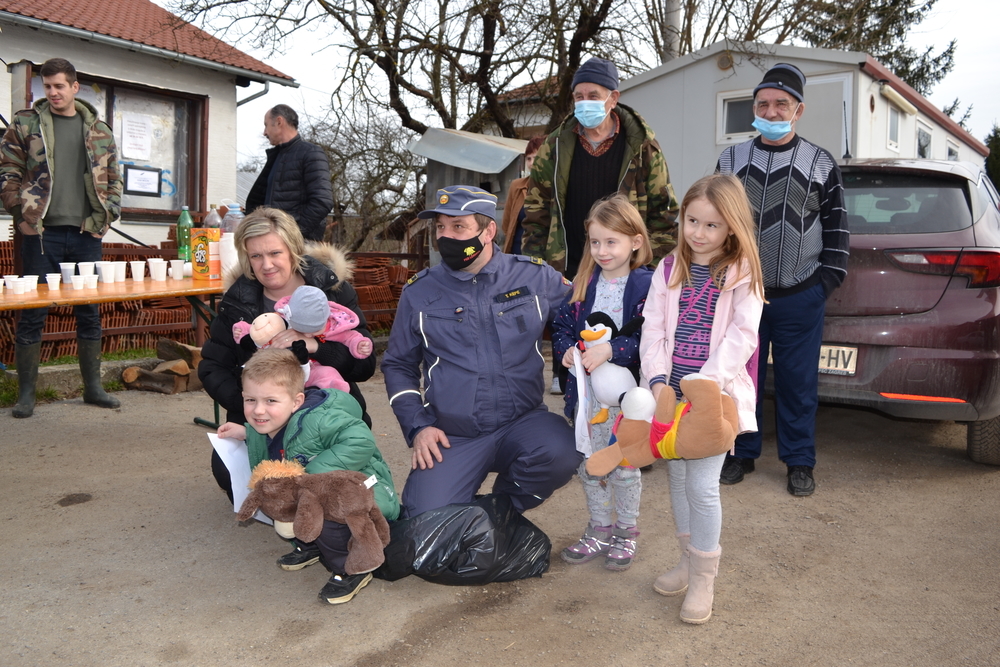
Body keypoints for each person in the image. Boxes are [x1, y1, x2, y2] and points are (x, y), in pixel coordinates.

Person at [381, 185, 580, 518]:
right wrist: (418, 427)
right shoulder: (420, 292)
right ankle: (464, 515)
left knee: (562, 452)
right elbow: (398, 364)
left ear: (488, 231)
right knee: (424, 516)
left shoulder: (534, 277)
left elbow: (583, 315)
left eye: (458, 227)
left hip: (523, 423)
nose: (446, 237)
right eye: (441, 227)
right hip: (452, 434)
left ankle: (500, 511)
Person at [199, 206, 376, 538]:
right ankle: (287, 507)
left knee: (334, 476)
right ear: (245, 257)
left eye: (275, 252)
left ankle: (315, 515)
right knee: (225, 470)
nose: (266, 265)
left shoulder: (332, 289)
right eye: (256, 256)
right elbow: (211, 366)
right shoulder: (238, 301)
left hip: (327, 408)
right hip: (265, 416)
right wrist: (250, 406)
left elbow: (365, 365)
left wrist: (316, 347)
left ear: (294, 248)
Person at [716, 63, 849, 496]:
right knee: (740, 377)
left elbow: (838, 229)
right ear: (754, 108)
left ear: (798, 110)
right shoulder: (730, 159)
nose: (771, 112)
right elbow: (715, 222)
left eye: (781, 104)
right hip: (743, 294)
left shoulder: (820, 162)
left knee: (797, 382)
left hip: (800, 295)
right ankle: (741, 454)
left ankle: (799, 461)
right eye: (763, 104)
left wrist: (823, 284)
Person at [640, 173, 765, 624]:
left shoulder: (743, 271)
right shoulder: (669, 268)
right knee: (676, 480)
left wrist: (706, 385)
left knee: (701, 486)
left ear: (731, 227)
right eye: (692, 221)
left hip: (714, 397)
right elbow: (653, 327)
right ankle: (687, 561)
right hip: (670, 393)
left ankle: (705, 578)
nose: (698, 232)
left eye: (711, 225)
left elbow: (743, 335)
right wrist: (657, 381)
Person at [217, 348, 399, 605]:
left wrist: (308, 476)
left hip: (364, 493)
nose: (258, 410)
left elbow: (360, 440)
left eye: (271, 401)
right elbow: (277, 446)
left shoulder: (318, 420)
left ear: (296, 402)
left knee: (325, 505)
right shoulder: (268, 425)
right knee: (276, 491)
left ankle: (351, 568)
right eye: (250, 400)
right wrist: (247, 432)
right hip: (321, 488)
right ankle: (313, 544)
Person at [0, 58, 122, 418]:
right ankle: (26, 395)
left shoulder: (99, 130)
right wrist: (20, 215)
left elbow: (114, 177)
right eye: (47, 86)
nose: (52, 93)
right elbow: (7, 170)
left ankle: (93, 388)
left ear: (74, 87)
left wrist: (108, 216)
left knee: (90, 312)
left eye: (59, 86)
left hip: (86, 233)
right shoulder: (26, 123)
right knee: (33, 312)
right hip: (40, 233)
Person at [551, 194, 653, 571]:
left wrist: (612, 349)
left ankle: (626, 533)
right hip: (587, 401)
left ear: (635, 241)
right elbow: (561, 325)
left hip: (627, 402)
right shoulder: (583, 283)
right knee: (590, 465)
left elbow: (653, 337)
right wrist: (565, 350)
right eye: (595, 242)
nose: (602, 250)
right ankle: (599, 528)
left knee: (624, 467)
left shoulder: (647, 286)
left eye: (612, 242)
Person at [521, 57, 679, 278]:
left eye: (593, 96)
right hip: (566, 273)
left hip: (627, 274)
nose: (585, 102)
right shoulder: (554, 147)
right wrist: (537, 269)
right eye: (579, 97)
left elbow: (664, 215)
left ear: (613, 98)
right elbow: (536, 214)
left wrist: (645, 268)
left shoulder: (642, 147)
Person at [244, 105, 334, 242]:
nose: (264, 132)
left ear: (279, 122)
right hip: (273, 242)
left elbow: (322, 201)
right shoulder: (276, 157)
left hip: (300, 247)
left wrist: (294, 234)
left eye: (266, 125)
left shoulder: (311, 153)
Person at [500, 135, 545, 256]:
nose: (531, 163)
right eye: (528, 159)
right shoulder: (517, 186)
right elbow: (506, 224)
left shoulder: (557, 187)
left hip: (547, 257)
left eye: (536, 157)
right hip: (517, 253)